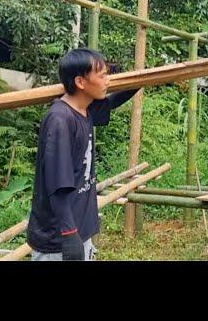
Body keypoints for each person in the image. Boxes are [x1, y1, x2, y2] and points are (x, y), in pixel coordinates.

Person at [26, 48, 139, 261]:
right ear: (80, 82)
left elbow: (112, 102)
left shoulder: (84, 109)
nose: (108, 80)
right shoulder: (60, 120)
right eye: (102, 75)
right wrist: (69, 235)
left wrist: (144, 78)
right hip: (58, 239)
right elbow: (57, 186)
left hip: (78, 229)